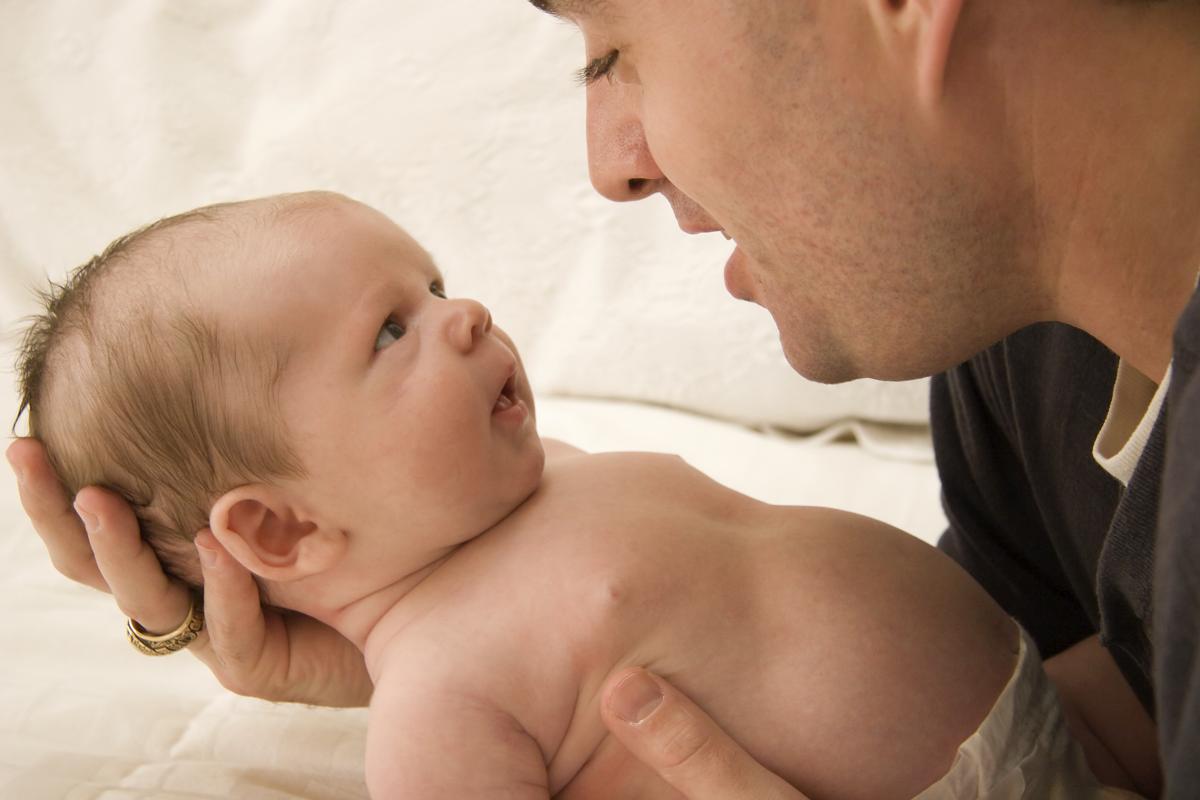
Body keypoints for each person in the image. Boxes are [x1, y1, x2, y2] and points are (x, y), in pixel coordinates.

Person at [8, 0, 1198, 796]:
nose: (609, 165)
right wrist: (362, 662)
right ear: (274, 525)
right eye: (389, 332)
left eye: (616, 49)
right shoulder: (433, 705)